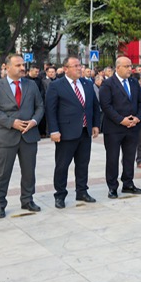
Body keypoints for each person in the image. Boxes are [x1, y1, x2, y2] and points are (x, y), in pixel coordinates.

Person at [0, 54, 44, 218]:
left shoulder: (31, 85)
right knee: (2, 173)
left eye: (22, 65)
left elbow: (40, 106)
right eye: (18, 65)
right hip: (6, 136)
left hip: (29, 135)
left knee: (29, 172)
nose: (22, 68)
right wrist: (12, 123)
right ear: (6, 67)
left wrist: (33, 121)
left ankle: (27, 200)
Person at [45, 56, 101, 208]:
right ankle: (60, 195)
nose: (79, 68)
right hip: (65, 132)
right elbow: (51, 110)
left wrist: (95, 124)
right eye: (75, 66)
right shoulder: (56, 85)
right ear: (65, 69)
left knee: (83, 164)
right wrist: (54, 130)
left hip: (84, 131)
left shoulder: (87, 84)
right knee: (62, 165)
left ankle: (82, 191)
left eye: (80, 65)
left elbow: (94, 106)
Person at [99, 56, 141, 199]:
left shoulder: (134, 82)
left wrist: (137, 117)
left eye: (130, 66)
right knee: (112, 158)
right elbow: (106, 106)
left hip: (132, 127)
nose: (129, 69)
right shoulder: (108, 84)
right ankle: (112, 187)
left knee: (129, 157)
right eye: (126, 66)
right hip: (114, 129)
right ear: (117, 67)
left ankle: (128, 183)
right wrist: (121, 120)